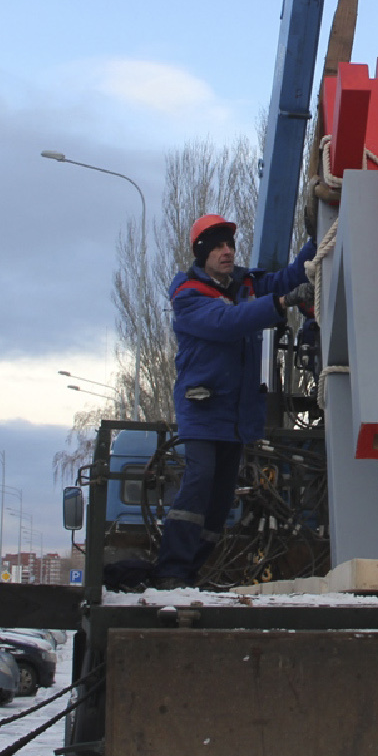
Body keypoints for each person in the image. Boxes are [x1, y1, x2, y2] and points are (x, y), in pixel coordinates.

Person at [151, 213, 313, 588]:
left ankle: (191, 572)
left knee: (221, 497)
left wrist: (314, 236)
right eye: (218, 247)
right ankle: (171, 571)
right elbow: (228, 322)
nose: (227, 252)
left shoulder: (246, 285)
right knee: (200, 481)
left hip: (235, 414)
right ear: (202, 254)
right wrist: (283, 302)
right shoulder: (189, 296)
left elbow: (290, 275)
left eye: (230, 245)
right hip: (204, 408)